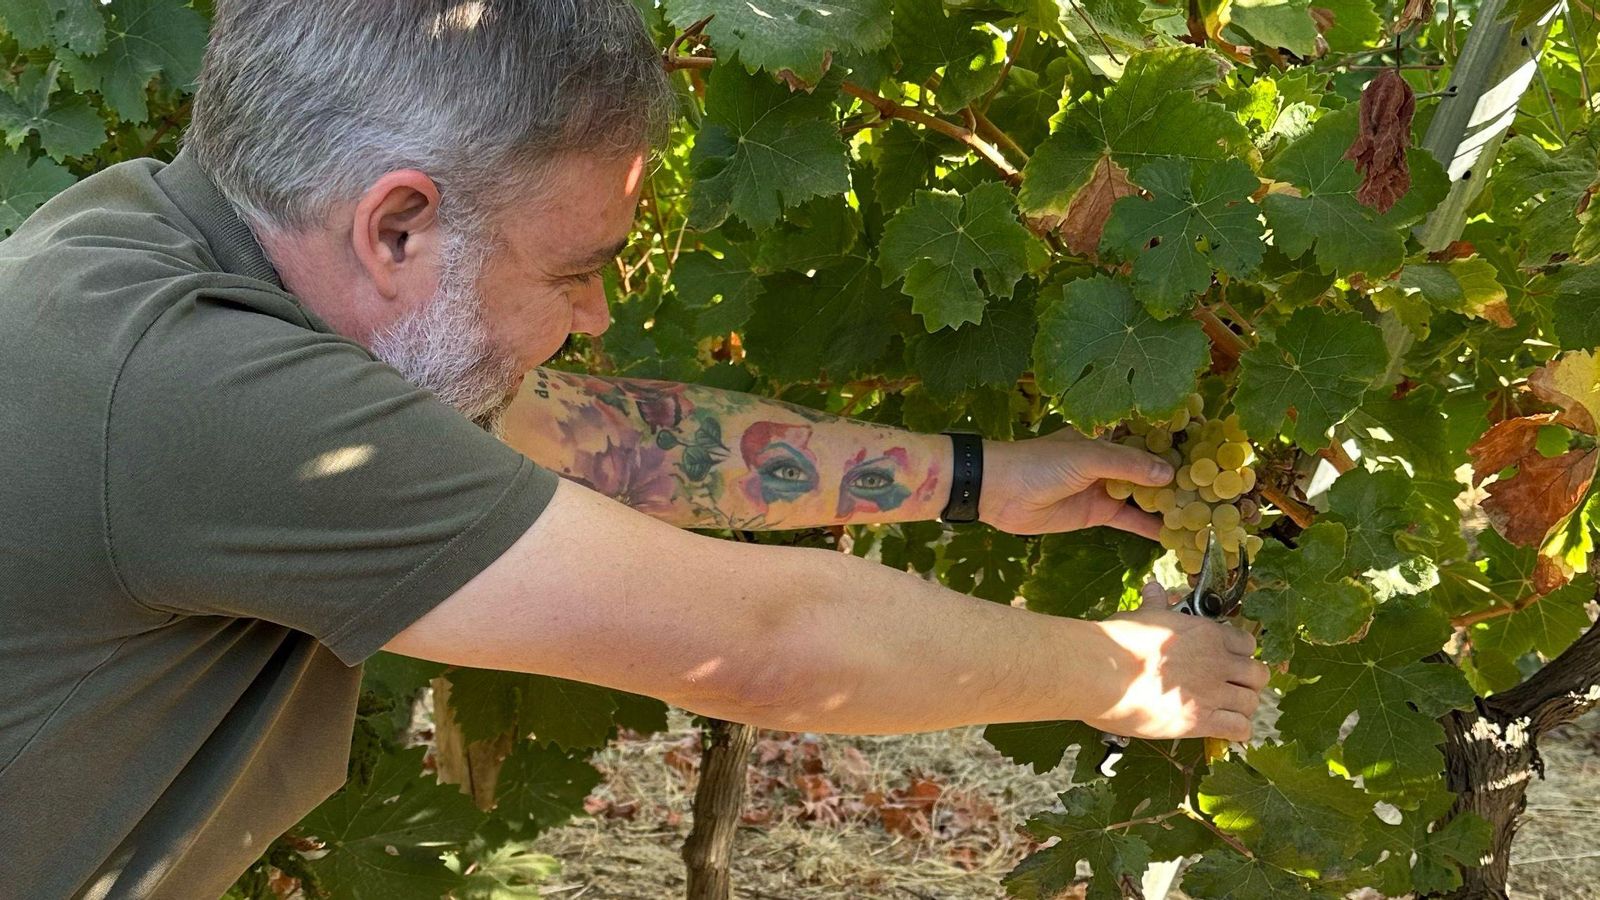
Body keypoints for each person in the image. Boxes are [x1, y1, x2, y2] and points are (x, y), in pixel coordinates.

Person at [0, 1, 1269, 897]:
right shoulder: (213, 406)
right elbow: (770, 649)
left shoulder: (146, 245)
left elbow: (590, 436)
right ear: (396, 227)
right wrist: (1125, 673)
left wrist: (977, 479)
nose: (600, 315)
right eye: (576, 271)